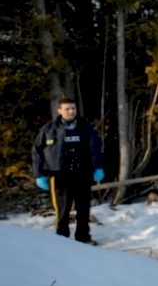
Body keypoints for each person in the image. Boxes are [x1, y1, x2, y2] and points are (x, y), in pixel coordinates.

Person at [32, 98, 104, 245]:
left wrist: (98, 167)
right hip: (59, 175)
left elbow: (96, 148)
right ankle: (62, 240)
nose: (71, 111)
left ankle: (83, 238)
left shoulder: (85, 127)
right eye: (67, 109)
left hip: (82, 173)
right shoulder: (49, 129)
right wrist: (39, 175)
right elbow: (37, 152)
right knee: (62, 210)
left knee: (83, 208)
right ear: (59, 111)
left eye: (73, 108)